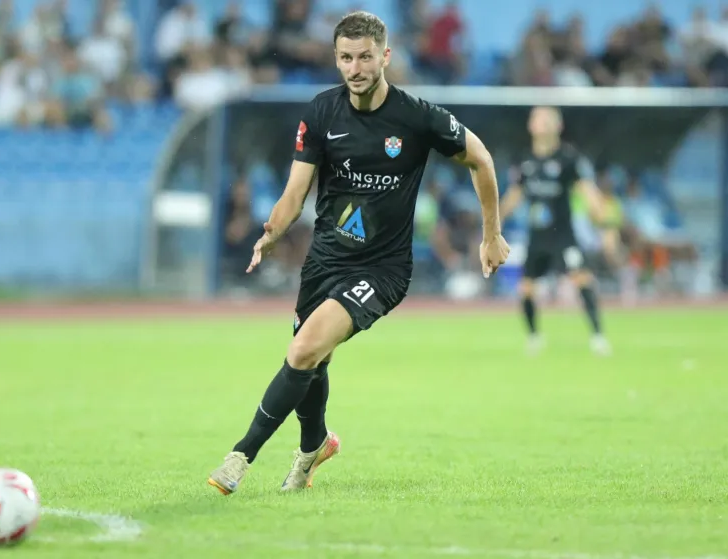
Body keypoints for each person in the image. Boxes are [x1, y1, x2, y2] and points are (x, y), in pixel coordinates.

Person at [207, 11, 509, 496]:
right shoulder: (322, 113)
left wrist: (491, 234)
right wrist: (273, 230)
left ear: (385, 56)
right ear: (336, 59)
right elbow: (294, 192)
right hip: (325, 260)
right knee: (312, 359)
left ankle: (241, 455)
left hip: (382, 269)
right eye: (345, 58)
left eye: (365, 57)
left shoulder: (417, 117)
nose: (355, 67)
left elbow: (482, 159)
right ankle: (313, 448)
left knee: (303, 349)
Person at [499, 106, 611, 356]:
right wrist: (494, 220)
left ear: (558, 126)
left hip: (563, 235)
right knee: (526, 288)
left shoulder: (568, 159)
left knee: (582, 279)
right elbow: (514, 195)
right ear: (530, 126)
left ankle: (598, 336)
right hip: (537, 237)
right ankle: (534, 337)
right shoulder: (525, 161)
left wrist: (600, 214)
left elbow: (587, 189)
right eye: (537, 120)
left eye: (547, 120)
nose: (541, 124)